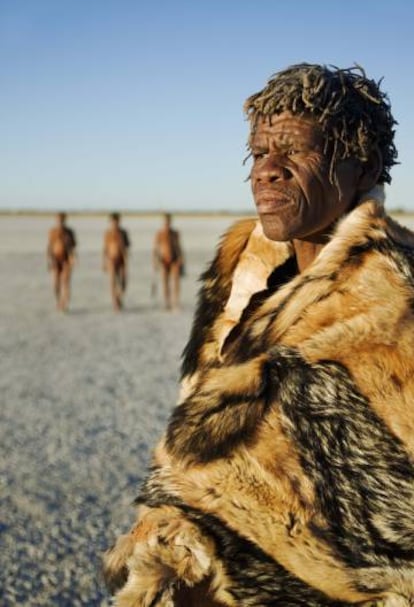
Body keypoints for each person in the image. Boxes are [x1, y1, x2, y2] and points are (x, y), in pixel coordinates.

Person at [104, 64, 414, 606]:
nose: (267, 171)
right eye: (258, 153)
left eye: (295, 151)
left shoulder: (396, 304)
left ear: (362, 168)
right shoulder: (241, 283)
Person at [153, 213, 184, 310]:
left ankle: (176, 302)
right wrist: (155, 261)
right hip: (163, 260)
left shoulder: (175, 233)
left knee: (176, 281)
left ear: (170, 222)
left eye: (168, 222)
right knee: (165, 282)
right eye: (165, 222)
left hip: (174, 259)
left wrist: (181, 259)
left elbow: (178, 247)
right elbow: (156, 249)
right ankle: (167, 303)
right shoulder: (160, 234)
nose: (167, 224)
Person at [47, 212, 77, 311]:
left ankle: (65, 303)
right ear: (56, 220)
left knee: (65, 282)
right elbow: (49, 247)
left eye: (62, 220)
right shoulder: (52, 232)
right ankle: (59, 300)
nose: (60, 222)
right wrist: (49, 261)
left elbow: (73, 248)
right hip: (56, 260)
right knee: (56, 283)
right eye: (58, 220)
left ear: (65, 220)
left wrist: (73, 259)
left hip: (66, 260)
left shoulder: (69, 232)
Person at [103, 212, 130, 310]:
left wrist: (126, 260)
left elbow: (126, 248)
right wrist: (104, 262)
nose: (115, 223)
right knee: (112, 281)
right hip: (111, 260)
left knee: (123, 282)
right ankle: (115, 302)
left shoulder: (123, 233)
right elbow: (105, 249)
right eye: (113, 221)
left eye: (116, 221)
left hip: (122, 259)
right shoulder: (108, 234)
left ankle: (119, 297)